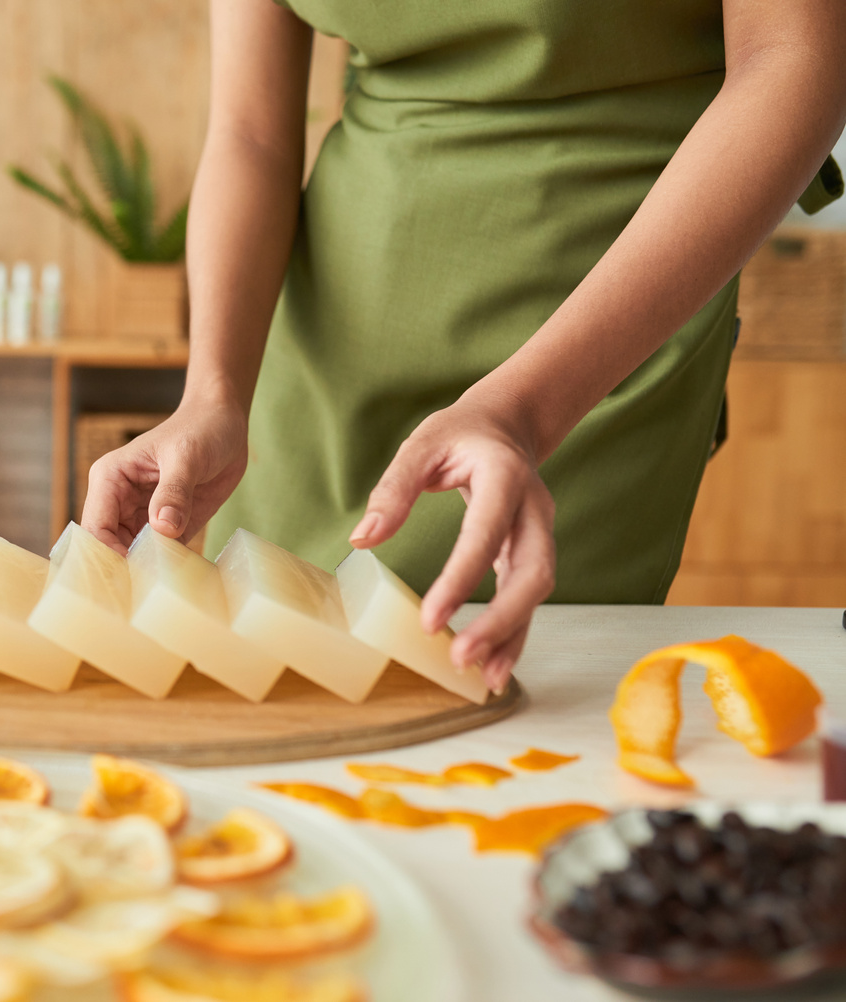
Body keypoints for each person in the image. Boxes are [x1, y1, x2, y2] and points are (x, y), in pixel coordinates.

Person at [81, 0, 846, 694]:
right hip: (326, 343)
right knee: (274, 683)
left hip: (596, 330)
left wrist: (522, 413)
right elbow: (248, 132)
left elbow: (792, 61)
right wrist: (213, 393)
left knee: (515, 707)